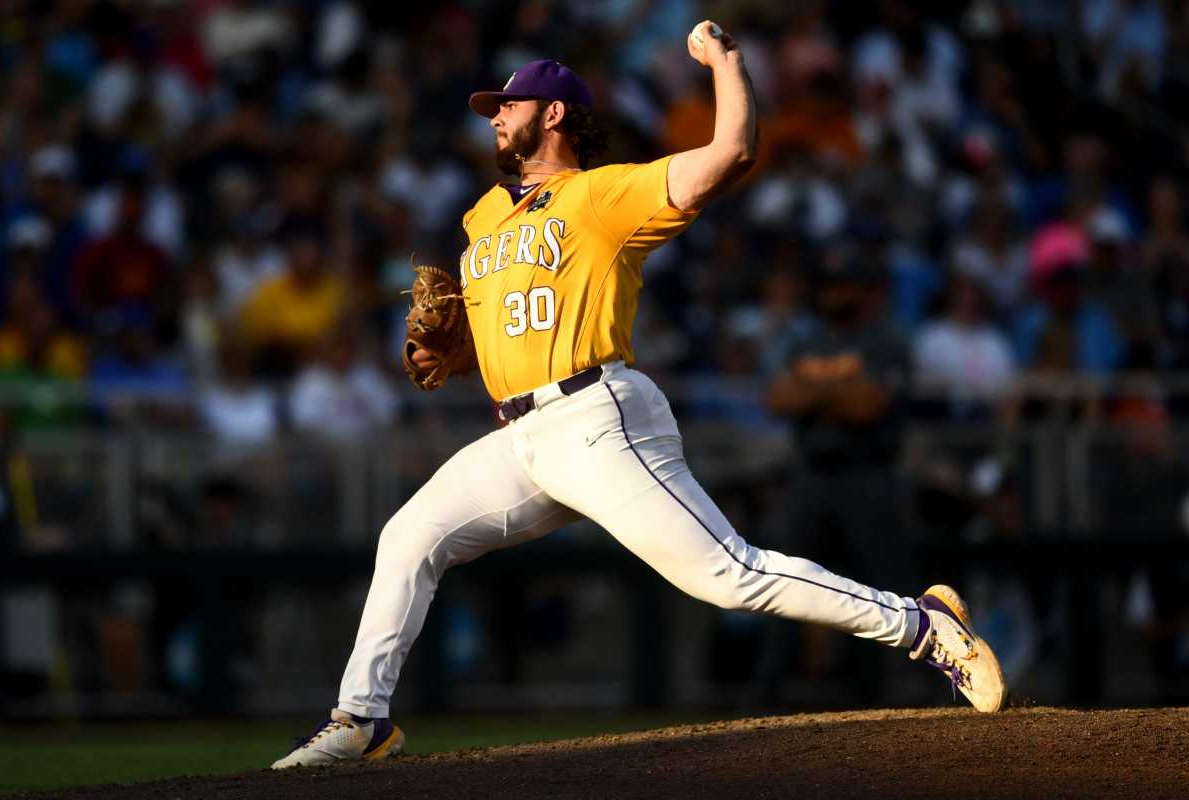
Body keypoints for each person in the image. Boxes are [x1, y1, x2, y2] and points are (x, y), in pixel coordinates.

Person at [273, 23, 1006, 770]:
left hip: (597, 415)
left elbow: (732, 153)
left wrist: (724, 63)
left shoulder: (603, 195)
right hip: (522, 437)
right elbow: (489, 334)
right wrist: (450, 350)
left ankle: (922, 624)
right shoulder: (482, 219)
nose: (494, 115)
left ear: (552, 114)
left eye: (509, 103)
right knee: (407, 537)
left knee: (729, 574)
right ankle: (362, 720)